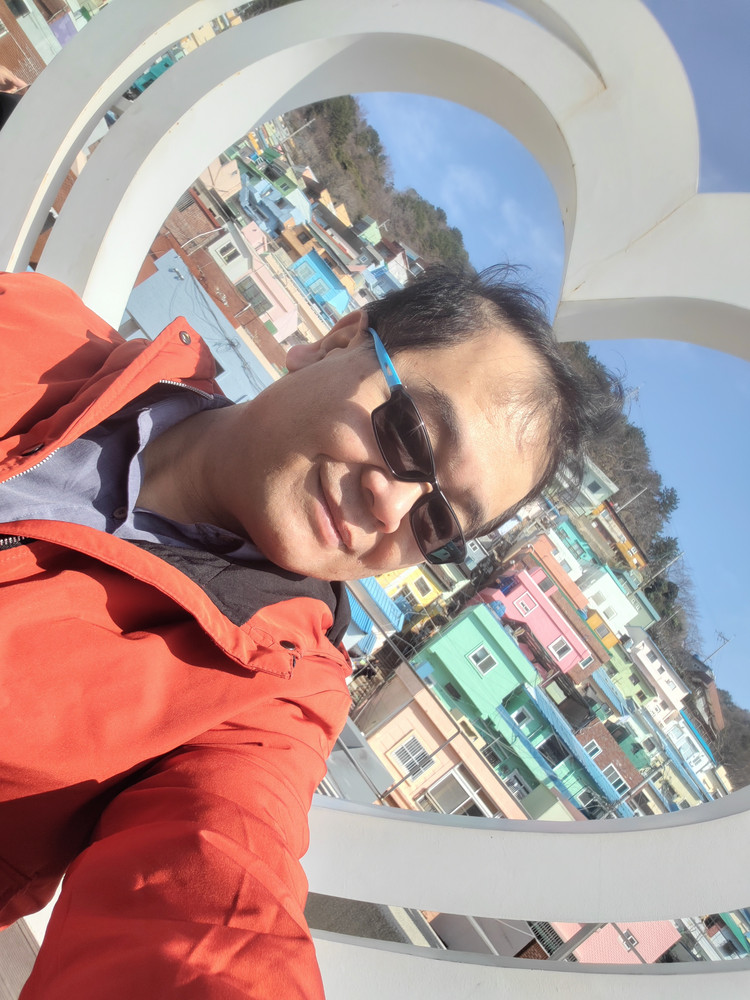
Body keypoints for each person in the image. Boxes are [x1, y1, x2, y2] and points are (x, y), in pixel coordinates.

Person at [0, 264, 620, 997]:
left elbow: (217, 885)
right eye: (412, 434)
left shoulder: (268, 697)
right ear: (337, 341)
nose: (393, 508)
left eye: (438, 522)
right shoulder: (35, 328)